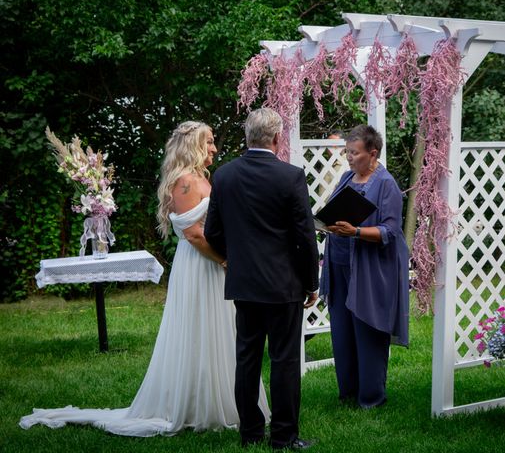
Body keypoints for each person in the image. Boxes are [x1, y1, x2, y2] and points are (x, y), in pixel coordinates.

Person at [19, 121, 269, 436]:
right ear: (192, 145)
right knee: (199, 331)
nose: (214, 149)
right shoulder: (184, 183)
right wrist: (224, 259)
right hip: (201, 265)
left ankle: (222, 402)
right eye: (208, 142)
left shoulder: (203, 178)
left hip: (216, 265)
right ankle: (195, 405)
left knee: (221, 331)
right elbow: (193, 234)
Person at [204, 108, 319, 450]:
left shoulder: (223, 176)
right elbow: (305, 236)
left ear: (247, 137)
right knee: (284, 360)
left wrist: (237, 258)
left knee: (247, 357)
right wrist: (311, 282)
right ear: (276, 139)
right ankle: (283, 437)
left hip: (245, 284)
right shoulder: (290, 176)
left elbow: (212, 231)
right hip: (283, 285)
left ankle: (250, 432)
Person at [319, 124, 409, 409]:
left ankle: (371, 397)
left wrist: (355, 232)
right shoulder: (346, 178)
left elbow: (390, 232)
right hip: (339, 264)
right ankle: (348, 392)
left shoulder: (386, 184)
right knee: (342, 329)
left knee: (368, 328)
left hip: (370, 269)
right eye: (347, 152)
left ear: (373, 153)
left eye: (354, 154)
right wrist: (326, 224)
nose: (349, 158)